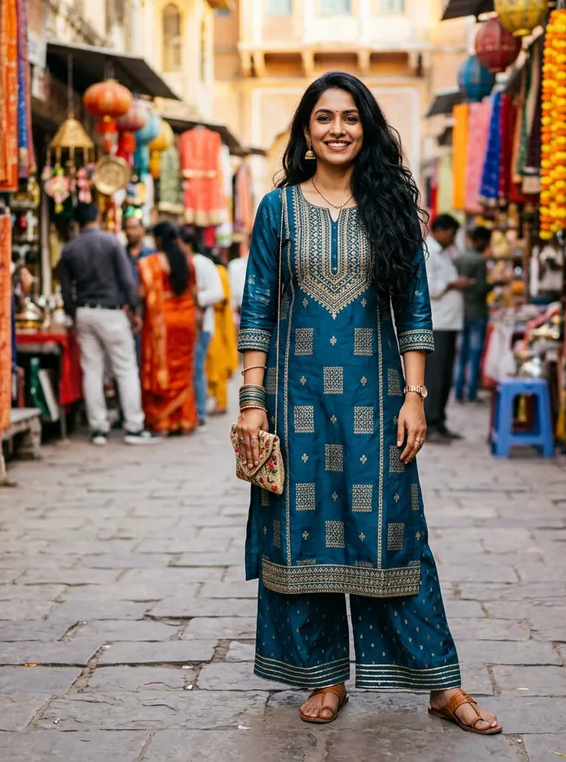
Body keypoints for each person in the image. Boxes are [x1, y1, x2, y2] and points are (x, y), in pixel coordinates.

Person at [236, 71, 501, 735]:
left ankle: (443, 683)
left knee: (395, 534)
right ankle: (324, 674)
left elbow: (413, 305)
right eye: (323, 117)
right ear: (304, 131)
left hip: (376, 401)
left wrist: (416, 397)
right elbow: (259, 305)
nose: (337, 129)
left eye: (350, 117)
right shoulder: (278, 210)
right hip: (295, 402)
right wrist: (251, 401)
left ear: (368, 127)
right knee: (304, 537)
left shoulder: (392, 206)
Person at [59, 203, 160, 446]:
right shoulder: (112, 242)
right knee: (125, 368)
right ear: (97, 218)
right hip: (111, 311)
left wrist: (73, 313)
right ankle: (134, 426)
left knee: (92, 370)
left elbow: (65, 289)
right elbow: (127, 279)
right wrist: (134, 310)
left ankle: (98, 428)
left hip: (84, 311)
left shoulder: (69, 249)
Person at [139, 222, 199, 435]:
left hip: (163, 322)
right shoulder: (187, 262)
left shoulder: (151, 263)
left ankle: (163, 422)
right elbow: (194, 293)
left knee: (162, 368)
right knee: (183, 371)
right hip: (185, 320)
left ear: (158, 240)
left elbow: (141, 293)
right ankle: (182, 420)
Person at [423, 213, 472, 443]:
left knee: (445, 376)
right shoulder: (429, 252)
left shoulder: (444, 254)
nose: (453, 239)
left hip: (449, 323)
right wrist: (453, 283)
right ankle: (430, 423)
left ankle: (439, 420)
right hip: (438, 324)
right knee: (435, 376)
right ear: (441, 230)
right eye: (452, 233)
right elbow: (429, 287)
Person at [179, 228, 224, 427]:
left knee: (197, 368)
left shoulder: (203, 264)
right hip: (185, 325)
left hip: (202, 325)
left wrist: (196, 298)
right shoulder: (180, 263)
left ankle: (200, 411)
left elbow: (218, 293)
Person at [454, 226, 494, 403]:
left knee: (461, 353)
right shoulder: (479, 260)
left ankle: (457, 390)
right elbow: (480, 288)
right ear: (481, 241)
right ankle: (471, 391)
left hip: (460, 310)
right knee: (475, 352)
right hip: (477, 311)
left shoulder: (458, 258)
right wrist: (493, 285)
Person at [205, 251, 238, 415]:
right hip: (220, 319)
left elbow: (221, 298)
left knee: (217, 361)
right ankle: (217, 399)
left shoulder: (218, 271)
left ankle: (221, 402)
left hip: (218, 320)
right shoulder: (222, 271)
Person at [123, 207, 156, 362]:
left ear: (142, 230)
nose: (130, 232)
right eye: (128, 228)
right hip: (126, 314)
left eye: (134, 228)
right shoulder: (120, 255)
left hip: (148, 313)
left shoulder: (152, 255)